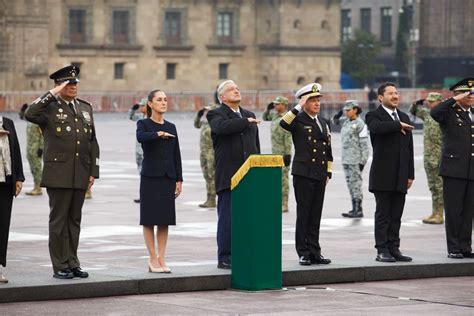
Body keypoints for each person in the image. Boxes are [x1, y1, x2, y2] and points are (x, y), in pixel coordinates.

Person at [25, 65, 100, 279]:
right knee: (58, 221)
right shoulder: (48, 108)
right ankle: (59, 265)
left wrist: (93, 171)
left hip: (80, 172)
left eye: (76, 83)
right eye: (69, 83)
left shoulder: (85, 108)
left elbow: (92, 141)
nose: (74, 86)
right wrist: (51, 94)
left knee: (74, 220)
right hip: (59, 173)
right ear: (59, 86)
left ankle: (73, 262)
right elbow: (30, 114)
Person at [207, 80, 261, 269]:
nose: (236, 91)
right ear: (222, 97)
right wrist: (245, 122)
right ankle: (225, 257)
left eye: (238, 88)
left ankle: (245, 252)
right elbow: (222, 128)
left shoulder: (249, 114)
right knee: (228, 218)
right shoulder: (216, 114)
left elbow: (256, 146)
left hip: (249, 176)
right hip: (229, 176)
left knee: (247, 218)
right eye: (231, 90)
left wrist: (258, 170)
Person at [280, 83, 333, 266]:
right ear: (304, 102)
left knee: (315, 214)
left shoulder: (324, 122)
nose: (317, 103)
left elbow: (328, 149)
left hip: (319, 173)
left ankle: (315, 251)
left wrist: (329, 171)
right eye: (312, 100)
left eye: (318, 100)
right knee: (304, 214)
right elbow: (283, 123)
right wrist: (298, 107)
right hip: (303, 173)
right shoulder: (298, 119)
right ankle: (303, 252)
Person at [365, 82, 414, 263]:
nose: (395, 96)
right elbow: (377, 128)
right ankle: (382, 249)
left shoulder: (404, 116)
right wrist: (396, 125)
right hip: (382, 175)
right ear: (380, 97)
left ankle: (394, 247)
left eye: (397, 93)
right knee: (383, 215)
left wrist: (410, 174)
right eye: (391, 93)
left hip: (401, 175)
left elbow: (409, 148)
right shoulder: (373, 115)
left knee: (396, 215)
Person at [137, 89, 183, 273]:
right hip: (150, 177)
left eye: (165, 100)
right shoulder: (144, 123)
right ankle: (152, 258)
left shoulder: (172, 126)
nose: (163, 103)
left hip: (167, 177)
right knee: (149, 219)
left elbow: (176, 154)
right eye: (159, 100)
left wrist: (179, 179)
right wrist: (158, 134)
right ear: (150, 103)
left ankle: (162, 258)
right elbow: (140, 137)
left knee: (164, 220)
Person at [430, 78, 474, 259]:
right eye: (468, 94)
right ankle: (454, 247)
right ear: (458, 94)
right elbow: (434, 112)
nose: (471, 97)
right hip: (453, 169)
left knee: (468, 211)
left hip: (471, 170)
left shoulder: (472, 113)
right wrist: (453, 100)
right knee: (454, 210)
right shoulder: (448, 112)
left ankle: (465, 246)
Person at [409, 93, 444, 224]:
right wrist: (416, 103)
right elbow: (413, 111)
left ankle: (440, 214)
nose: (429, 103)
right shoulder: (427, 114)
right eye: (428, 101)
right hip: (429, 157)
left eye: (432, 101)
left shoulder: (444, 115)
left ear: (440, 101)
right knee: (433, 186)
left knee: (440, 187)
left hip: (440, 157)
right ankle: (434, 212)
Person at [333, 100, 369, 218]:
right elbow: (335, 123)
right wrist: (336, 118)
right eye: (345, 111)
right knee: (350, 184)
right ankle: (354, 208)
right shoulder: (346, 122)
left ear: (355, 110)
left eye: (348, 110)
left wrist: (362, 161)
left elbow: (364, 145)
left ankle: (359, 209)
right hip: (346, 159)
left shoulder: (361, 124)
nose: (346, 113)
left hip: (355, 160)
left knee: (356, 184)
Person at [0, 116, 24, 284]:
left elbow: (15, 150)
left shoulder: (8, 123)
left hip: (5, 182)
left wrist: (18, 178)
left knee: (2, 225)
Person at [263, 96, 292, 212]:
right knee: (276, 179)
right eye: (274, 104)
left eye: (277, 104)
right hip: (275, 152)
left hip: (283, 153)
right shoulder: (274, 115)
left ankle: (284, 204)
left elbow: (288, 137)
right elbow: (265, 118)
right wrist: (268, 109)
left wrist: (288, 154)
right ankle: (278, 202)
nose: (275, 106)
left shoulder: (287, 118)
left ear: (284, 105)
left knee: (283, 179)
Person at [194, 91, 219, 208]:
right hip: (204, 152)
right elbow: (196, 125)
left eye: (209, 110)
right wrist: (199, 115)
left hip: (212, 153)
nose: (206, 112)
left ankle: (213, 199)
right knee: (206, 176)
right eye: (206, 110)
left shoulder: (216, 123)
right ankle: (208, 197)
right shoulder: (205, 122)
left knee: (212, 176)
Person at [19, 103, 44, 196]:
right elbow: (22, 117)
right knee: (33, 168)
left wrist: (41, 148)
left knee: (37, 168)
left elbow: (43, 136)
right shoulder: (30, 120)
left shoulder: (39, 120)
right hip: (29, 148)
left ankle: (38, 188)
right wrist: (22, 110)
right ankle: (35, 186)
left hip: (36, 148)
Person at [129, 97, 147, 203]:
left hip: (145, 151)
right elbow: (131, 117)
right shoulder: (140, 117)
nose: (140, 107)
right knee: (141, 174)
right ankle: (143, 196)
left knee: (145, 174)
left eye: (142, 105)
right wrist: (133, 109)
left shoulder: (151, 119)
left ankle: (146, 196)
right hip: (138, 150)